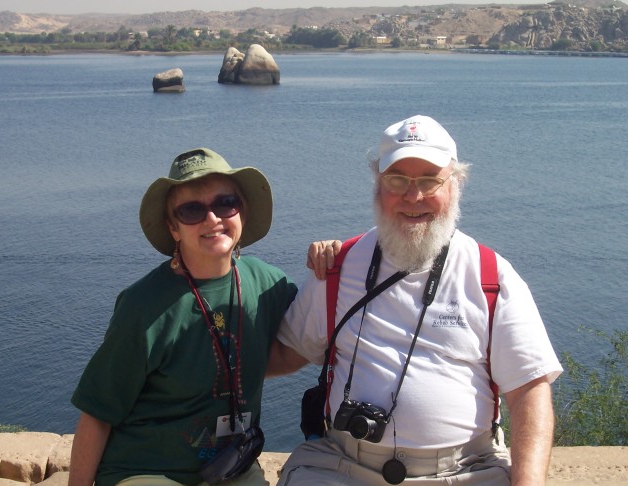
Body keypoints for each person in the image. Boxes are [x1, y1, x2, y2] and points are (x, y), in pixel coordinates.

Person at [268, 115, 563, 486]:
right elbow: (284, 355)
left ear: (455, 185)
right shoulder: (338, 269)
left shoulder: (491, 276)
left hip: (466, 470)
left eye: (429, 181)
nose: (413, 197)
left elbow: (529, 390)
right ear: (378, 185)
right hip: (345, 465)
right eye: (398, 180)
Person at [69, 147, 300, 486]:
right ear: (173, 227)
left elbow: (303, 341)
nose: (212, 218)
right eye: (192, 210)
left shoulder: (267, 284)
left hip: (231, 467)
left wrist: (334, 260)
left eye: (225, 203)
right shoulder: (145, 305)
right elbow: (98, 413)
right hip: (148, 469)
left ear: (242, 212)